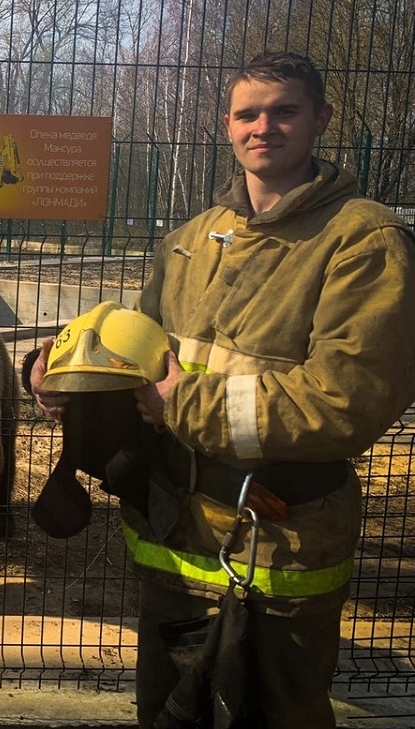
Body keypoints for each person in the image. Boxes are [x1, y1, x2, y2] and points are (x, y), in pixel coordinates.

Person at [29, 51, 415, 728]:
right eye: (247, 113)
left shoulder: (363, 241)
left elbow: (348, 401)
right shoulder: (190, 241)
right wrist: (63, 375)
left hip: (277, 546)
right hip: (171, 531)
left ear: (321, 118)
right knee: (169, 710)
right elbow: (136, 349)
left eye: (284, 111)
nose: (263, 126)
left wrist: (186, 404)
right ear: (228, 126)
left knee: (275, 711)